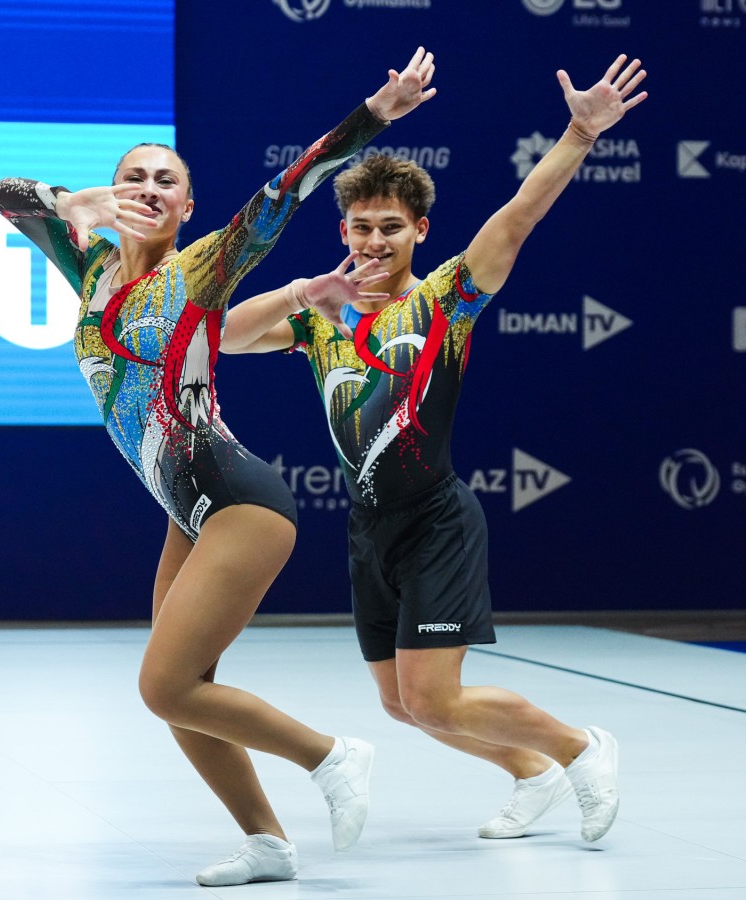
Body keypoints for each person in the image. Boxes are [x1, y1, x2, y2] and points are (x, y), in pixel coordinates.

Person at [0, 48, 436, 887]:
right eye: (134, 177)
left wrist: (375, 115)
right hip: (185, 511)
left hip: (236, 501)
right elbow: (6, 195)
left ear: (187, 206)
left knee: (164, 686)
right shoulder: (88, 268)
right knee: (186, 690)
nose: (149, 188)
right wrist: (73, 204)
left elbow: (291, 188)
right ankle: (267, 841)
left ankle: (331, 756)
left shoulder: (201, 268)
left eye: (167, 181)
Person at [220, 54, 646, 845]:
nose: (374, 240)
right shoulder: (318, 319)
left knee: (434, 697)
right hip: (368, 529)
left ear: (419, 230)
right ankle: (531, 772)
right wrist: (303, 291)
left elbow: (517, 215)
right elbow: (222, 337)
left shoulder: (447, 298)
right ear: (342, 231)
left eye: (391, 227)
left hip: (435, 522)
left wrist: (581, 134)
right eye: (361, 226)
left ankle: (579, 747)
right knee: (399, 703)